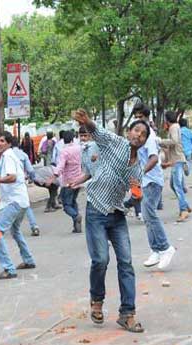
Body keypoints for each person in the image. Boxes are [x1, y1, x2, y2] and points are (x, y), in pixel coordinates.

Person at [70, 108, 148, 333]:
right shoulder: (114, 142)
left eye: (142, 134)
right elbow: (99, 132)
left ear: (144, 141)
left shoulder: (137, 167)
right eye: (135, 131)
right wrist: (88, 122)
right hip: (96, 210)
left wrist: (136, 196)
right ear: (129, 131)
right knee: (101, 260)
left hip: (117, 214)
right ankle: (97, 300)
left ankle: (127, 314)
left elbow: (135, 189)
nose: (137, 136)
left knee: (126, 262)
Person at [0, 131, 36, 279]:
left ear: (8, 143)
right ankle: (28, 260)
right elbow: (16, 182)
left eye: (2, 141)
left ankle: (9, 268)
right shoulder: (11, 156)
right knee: (15, 231)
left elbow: (12, 178)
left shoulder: (7, 156)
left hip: (15, 202)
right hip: (20, 201)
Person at [133, 103, 176, 270]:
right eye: (136, 117)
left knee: (149, 213)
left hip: (152, 180)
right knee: (146, 216)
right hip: (146, 181)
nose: (138, 121)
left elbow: (152, 158)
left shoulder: (149, 137)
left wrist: (141, 172)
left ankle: (166, 247)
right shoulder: (141, 137)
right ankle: (156, 250)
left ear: (147, 117)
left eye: (141, 117)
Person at [50, 130, 84, 233]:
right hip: (79, 179)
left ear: (63, 140)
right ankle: (77, 226)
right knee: (73, 201)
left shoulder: (65, 151)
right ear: (73, 138)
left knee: (66, 205)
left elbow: (60, 166)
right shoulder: (79, 149)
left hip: (68, 181)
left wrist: (54, 175)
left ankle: (76, 216)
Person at [162, 111, 191, 222]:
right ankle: (186, 205)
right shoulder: (175, 127)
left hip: (177, 160)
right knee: (173, 185)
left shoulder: (173, 127)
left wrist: (160, 141)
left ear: (167, 120)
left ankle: (183, 210)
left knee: (177, 185)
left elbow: (173, 141)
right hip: (176, 160)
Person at [11, 138, 40, 237]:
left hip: (9, 183)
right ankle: (34, 226)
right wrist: (32, 178)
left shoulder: (7, 156)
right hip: (20, 183)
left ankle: (2, 229)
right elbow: (31, 170)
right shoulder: (23, 155)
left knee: (8, 206)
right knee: (26, 206)